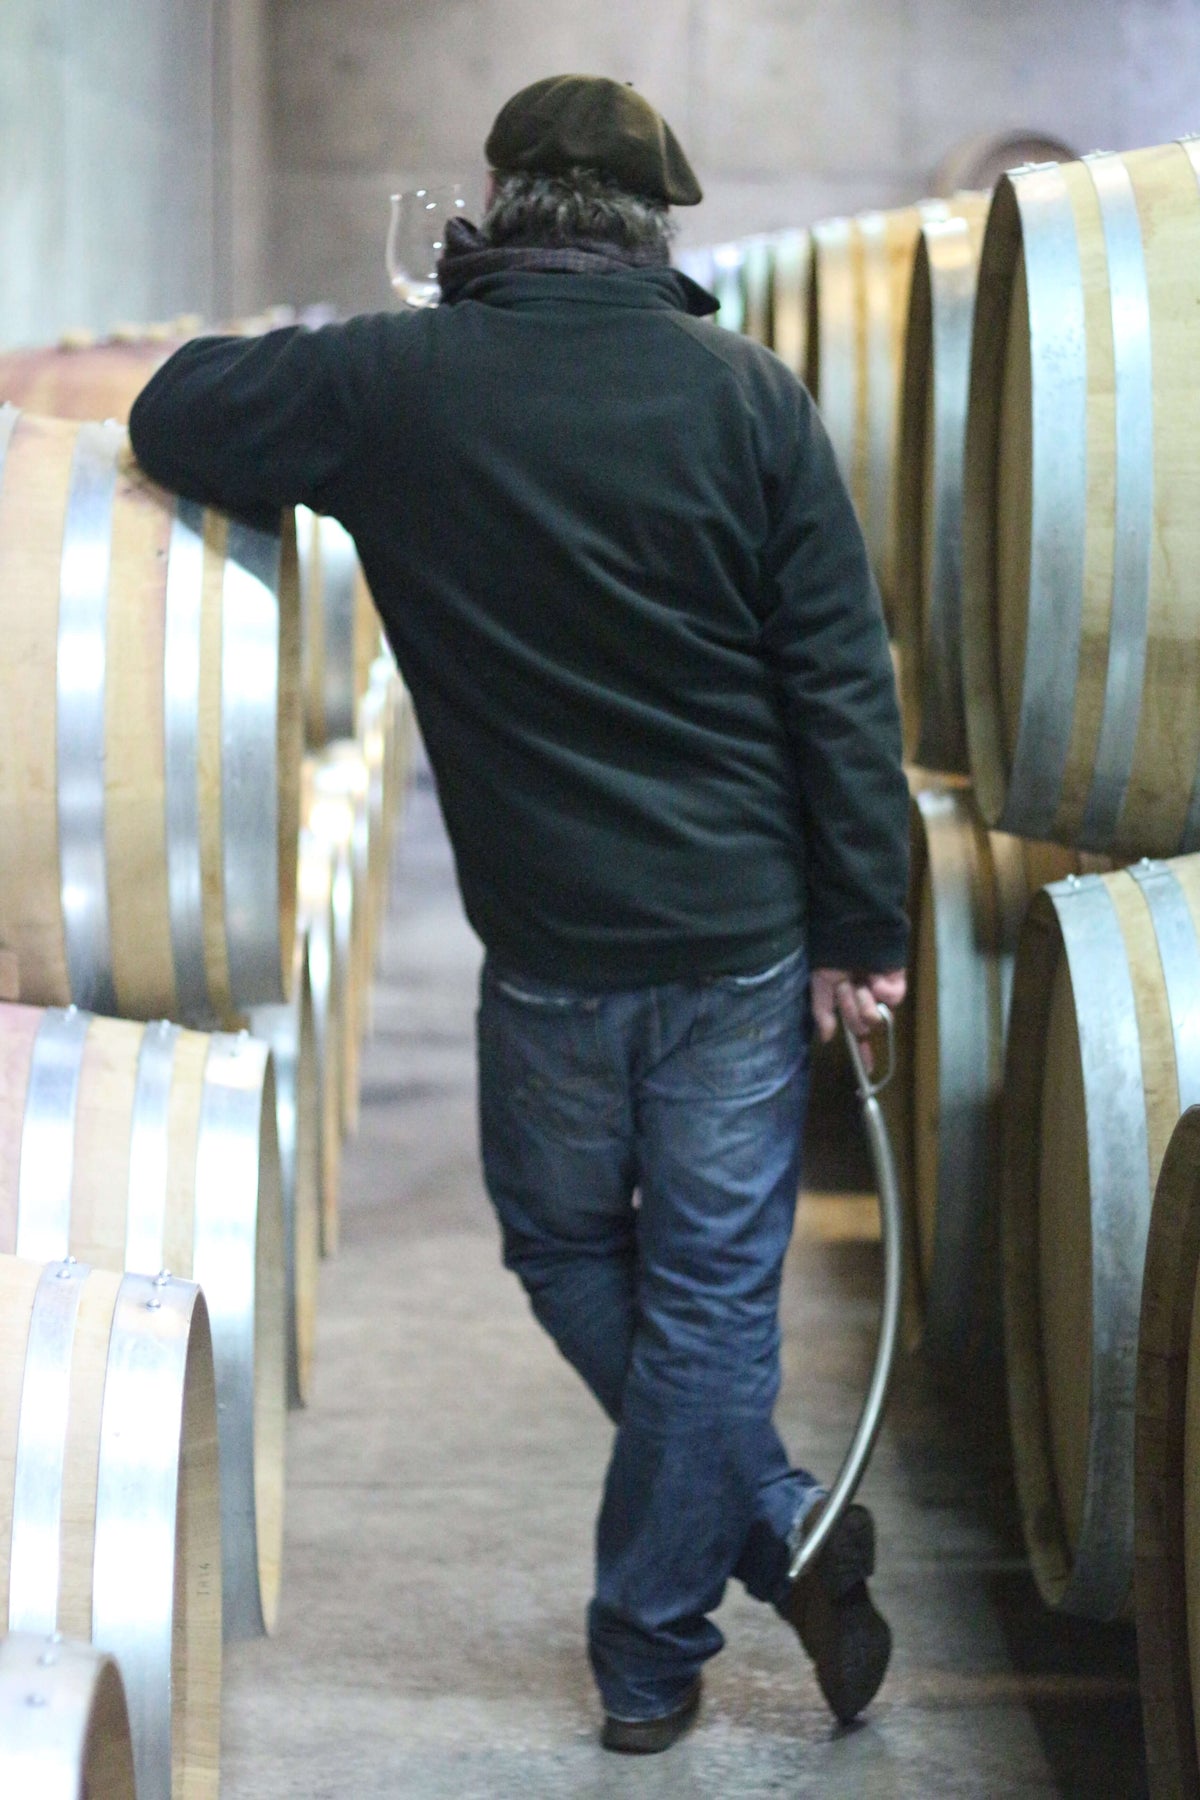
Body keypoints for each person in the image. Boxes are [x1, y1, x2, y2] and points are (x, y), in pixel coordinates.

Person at [129, 73, 909, 1755]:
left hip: (549, 948)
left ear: (496, 204)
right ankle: (725, 1573)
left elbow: (174, 413)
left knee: (563, 1248)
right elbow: (841, 684)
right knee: (711, 1296)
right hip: (744, 933)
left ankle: (682, 1613)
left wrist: (403, 333)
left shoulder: (395, 384)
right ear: (659, 226)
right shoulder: (750, 399)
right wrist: (866, 932)